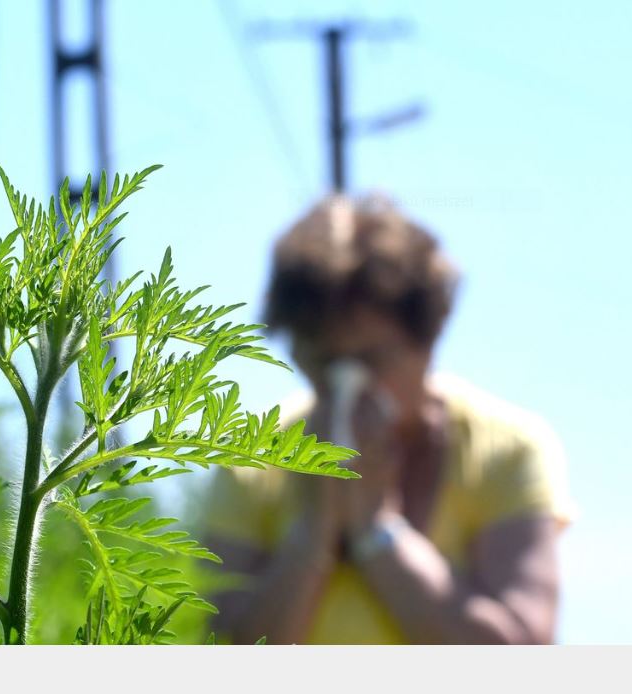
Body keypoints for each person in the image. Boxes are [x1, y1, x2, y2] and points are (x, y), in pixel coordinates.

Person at [205, 194, 573, 644]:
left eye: (370, 360)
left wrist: (377, 529)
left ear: (428, 340)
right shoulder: (250, 458)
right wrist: (314, 532)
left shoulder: (508, 449)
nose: (347, 384)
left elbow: (523, 658)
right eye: (323, 361)